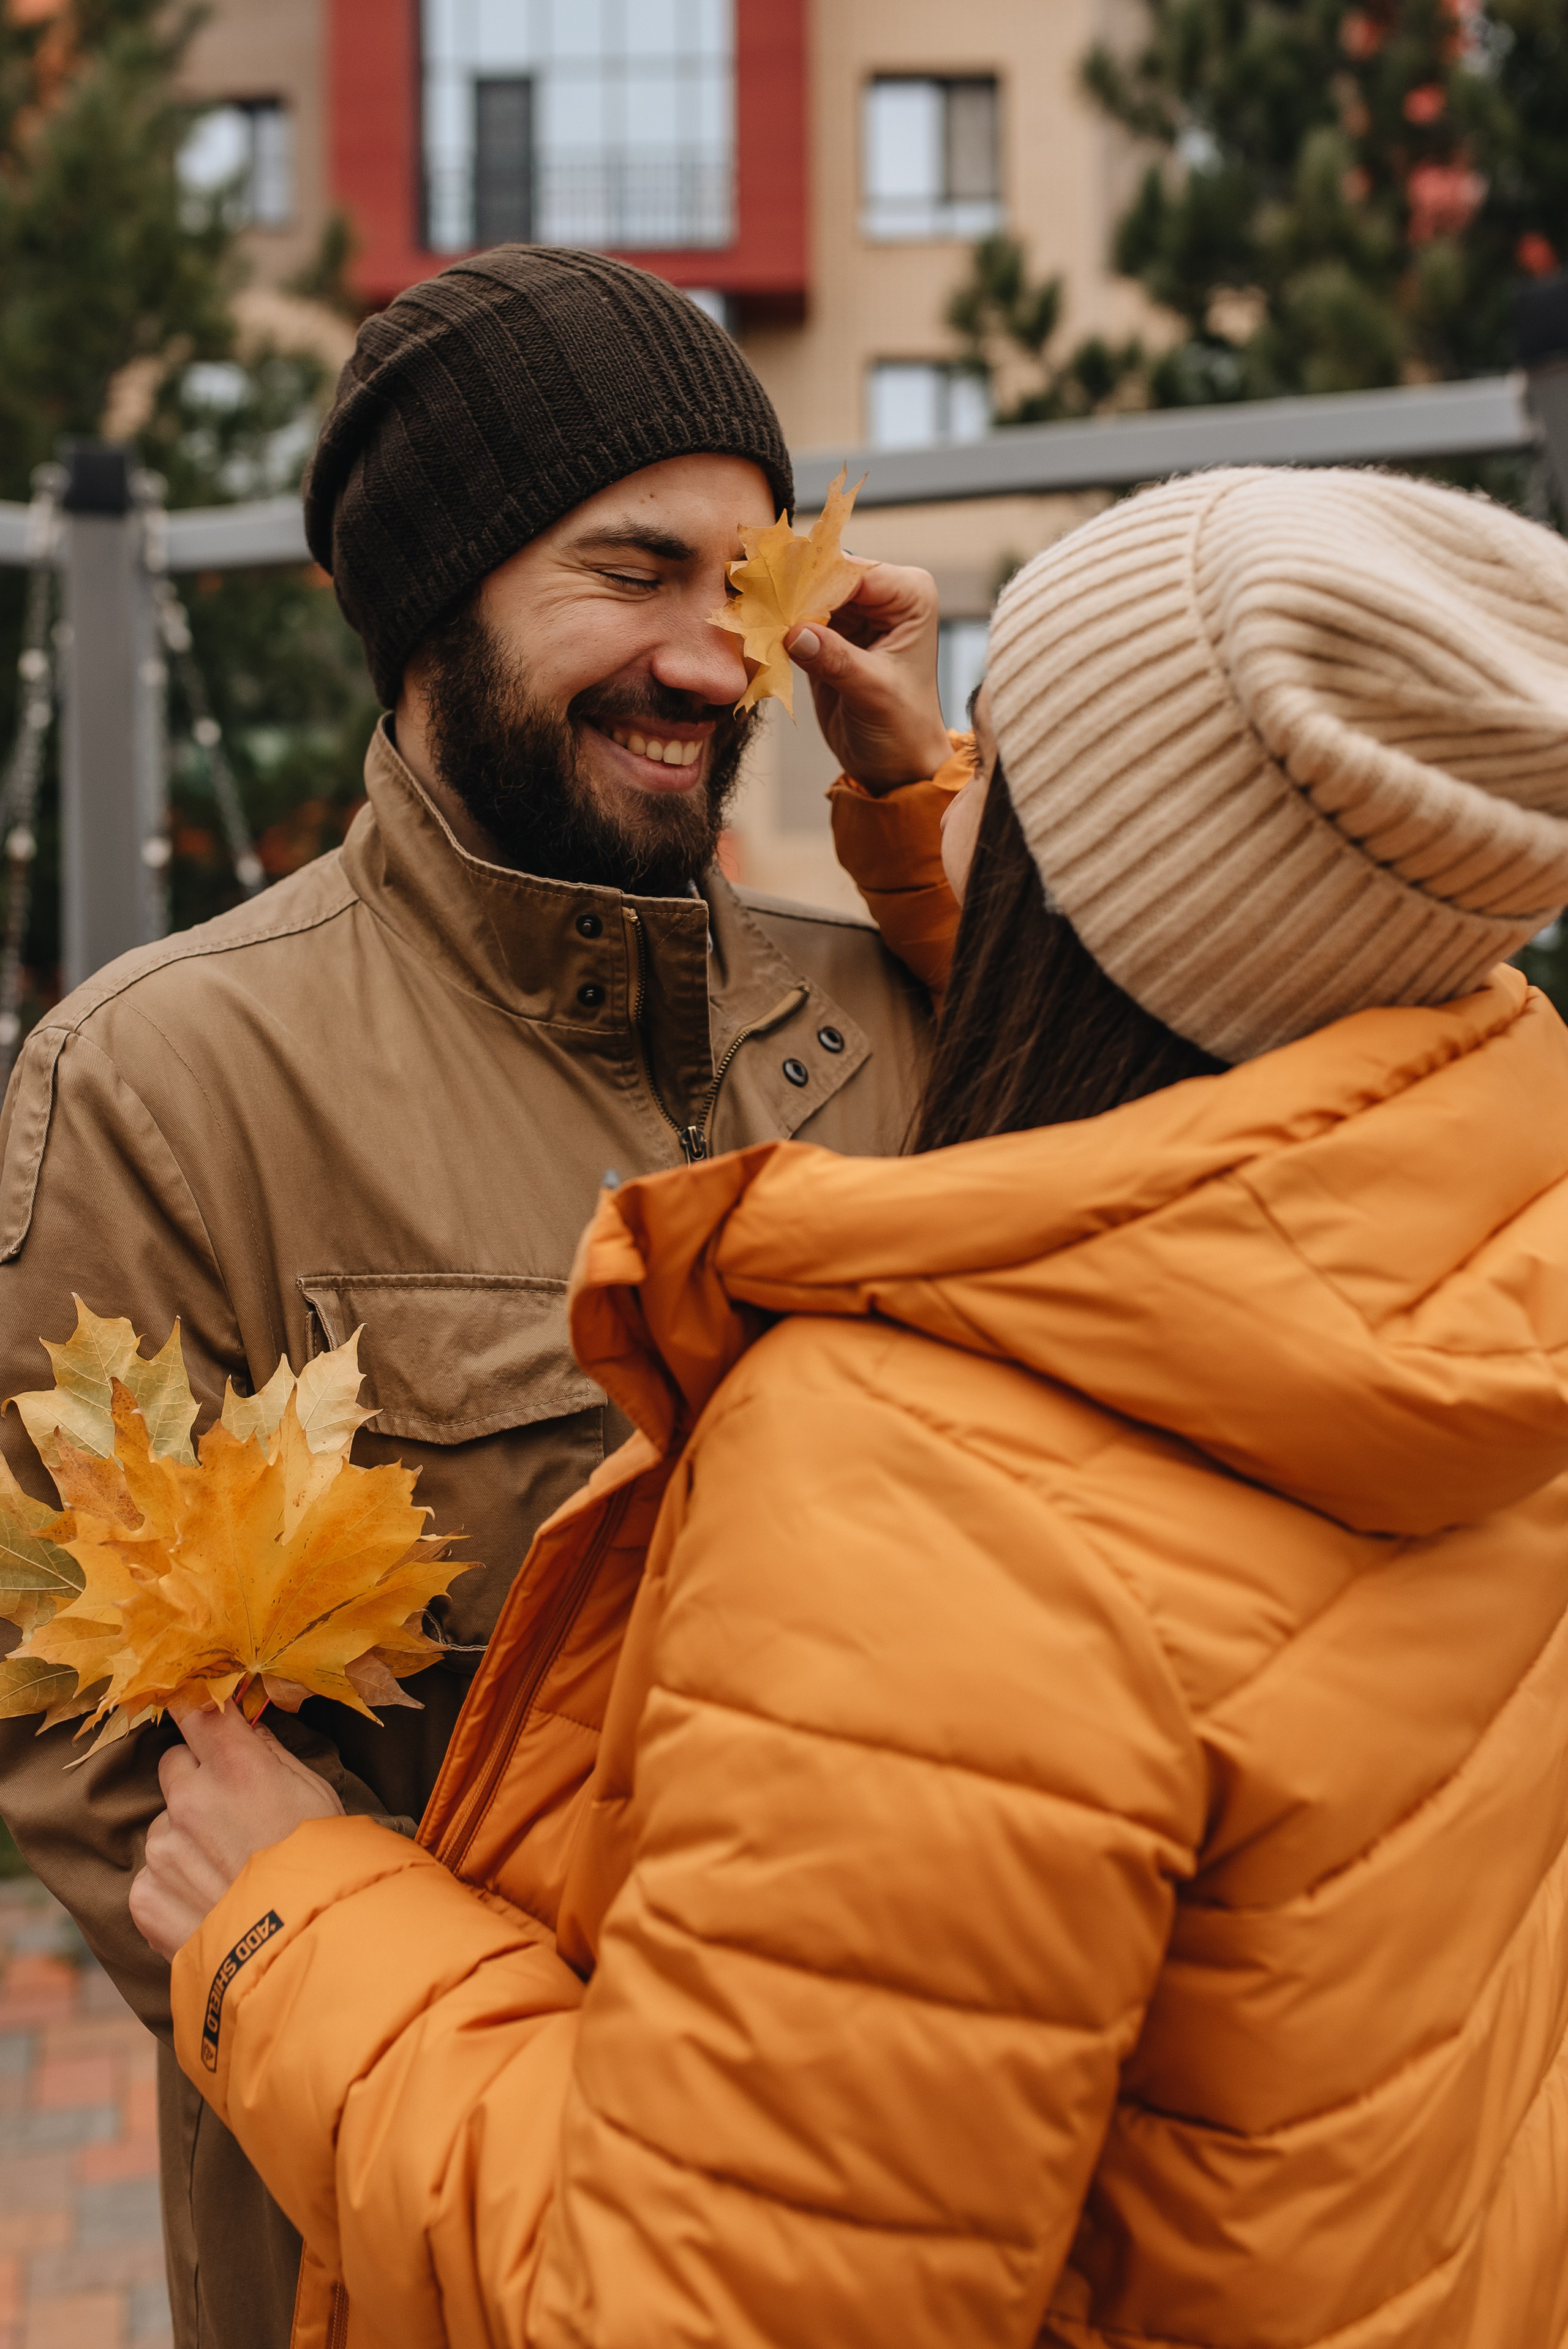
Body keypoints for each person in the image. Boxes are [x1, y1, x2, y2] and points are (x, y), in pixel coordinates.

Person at [128, 464, 1568, 2348]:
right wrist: (930, 825)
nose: (722, 658)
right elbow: (1194, 1082)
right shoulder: (1486, 1258)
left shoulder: (922, 1482)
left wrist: (289, 1924)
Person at [0, 245, 952, 2349]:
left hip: (916, 2222)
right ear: (434, 607)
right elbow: (117, 1777)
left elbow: (1217, 1196)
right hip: (430, 2265)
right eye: (634, 575)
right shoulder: (168, 1085)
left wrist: (932, 817)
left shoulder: (903, 1007)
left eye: (755, 585)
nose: (716, 660)